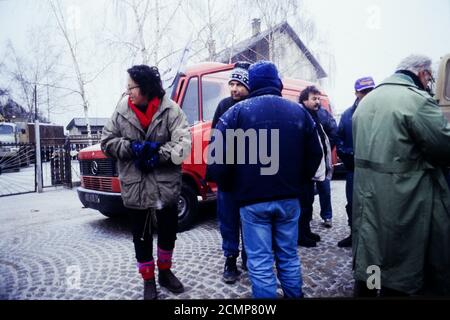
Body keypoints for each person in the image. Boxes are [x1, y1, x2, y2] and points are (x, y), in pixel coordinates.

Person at [207, 61, 323, 298]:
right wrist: (299, 182)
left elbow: (216, 160)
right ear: (277, 83)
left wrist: (234, 187)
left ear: (253, 84)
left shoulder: (235, 113)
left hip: (252, 201)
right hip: (289, 199)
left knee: (259, 263)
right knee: (288, 257)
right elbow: (315, 154)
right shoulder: (299, 112)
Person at [352, 55, 450, 297]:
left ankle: (369, 286)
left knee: (371, 248)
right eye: (430, 77)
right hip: (405, 194)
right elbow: (444, 147)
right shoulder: (416, 101)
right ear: (422, 73)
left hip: (367, 192)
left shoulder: (366, 101)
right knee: (402, 254)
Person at [101, 65, 191, 300]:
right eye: (127, 87)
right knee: (140, 236)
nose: (127, 91)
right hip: (136, 186)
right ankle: (148, 279)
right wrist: (132, 148)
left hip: (165, 186)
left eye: (131, 87)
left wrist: (157, 154)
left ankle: (165, 272)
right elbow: (106, 142)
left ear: (146, 87)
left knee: (168, 232)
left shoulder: (171, 110)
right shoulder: (121, 112)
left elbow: (184, 144)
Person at [207, 62, 250, 284]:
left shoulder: (253, 106)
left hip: (249, 177)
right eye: (231, 83)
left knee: (249, 220)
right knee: (228, 221)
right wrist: (215, 172)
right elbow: (215, 138)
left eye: (239, 84)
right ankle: (230, 259)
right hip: (227, 177)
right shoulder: (224, 105)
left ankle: (248, 257)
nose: (234, 88)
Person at [336, 76, 375, 248]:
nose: (366, 95)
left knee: (375, 204)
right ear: (356, 93)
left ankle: (373, 239)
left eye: (370, 91)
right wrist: (349, 155)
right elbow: (339, 139)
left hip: (376, 169)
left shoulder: (381, 112)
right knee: (352, 204)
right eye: (363, 91)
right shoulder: (346, 115)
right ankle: (354, 234)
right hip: (353, 169)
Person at [297, 86, 338, 247]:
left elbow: (328, 135)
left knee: (308, 202)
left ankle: (306, 231)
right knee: (303, 203)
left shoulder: (315, 115)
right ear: (304, 100)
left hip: (314, 168)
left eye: (318, 98)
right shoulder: (302, 115)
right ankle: (301, 235)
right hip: (305, 170)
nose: (317, 101)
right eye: (314, 98)